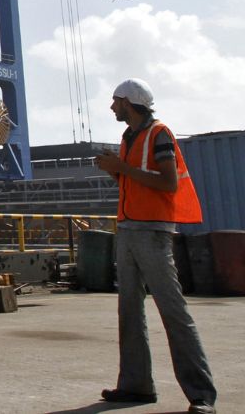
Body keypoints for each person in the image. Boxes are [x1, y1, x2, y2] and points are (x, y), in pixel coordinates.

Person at [94, 78, 216, 414]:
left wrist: (122, 168)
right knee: (129, 311)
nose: (111, 107)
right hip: (129, 227)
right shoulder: (128, 136)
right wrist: (113, 171)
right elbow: (132, 179)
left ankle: (202, 395)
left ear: (129, 102)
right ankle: (136, 386)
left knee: (173, 311)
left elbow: (168, 183)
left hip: (152, 232)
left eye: (115, 101)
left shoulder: (159, 133)